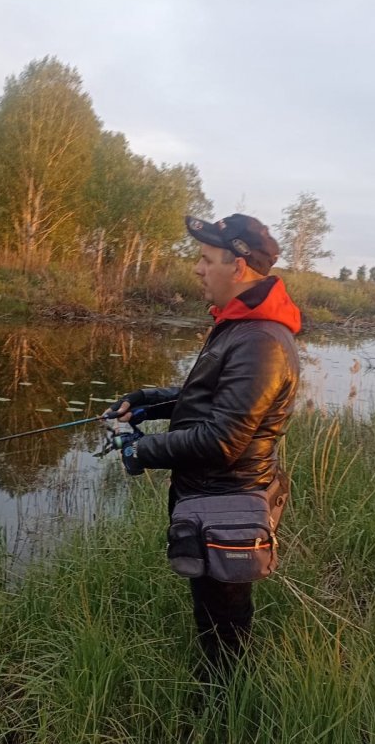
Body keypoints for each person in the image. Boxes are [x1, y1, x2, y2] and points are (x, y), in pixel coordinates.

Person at [106, 212, 301, 682]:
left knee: (224, 625)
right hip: (211, 494)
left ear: (237, 266)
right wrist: (148, 404)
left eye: (205, 258)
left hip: (228, 502)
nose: (196, 268)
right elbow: (211, 397)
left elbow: (222, 439)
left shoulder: (261, 341)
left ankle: (225, 707)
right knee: (213, 612)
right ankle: (220, 692)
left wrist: (139, 450)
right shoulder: (241, 326)